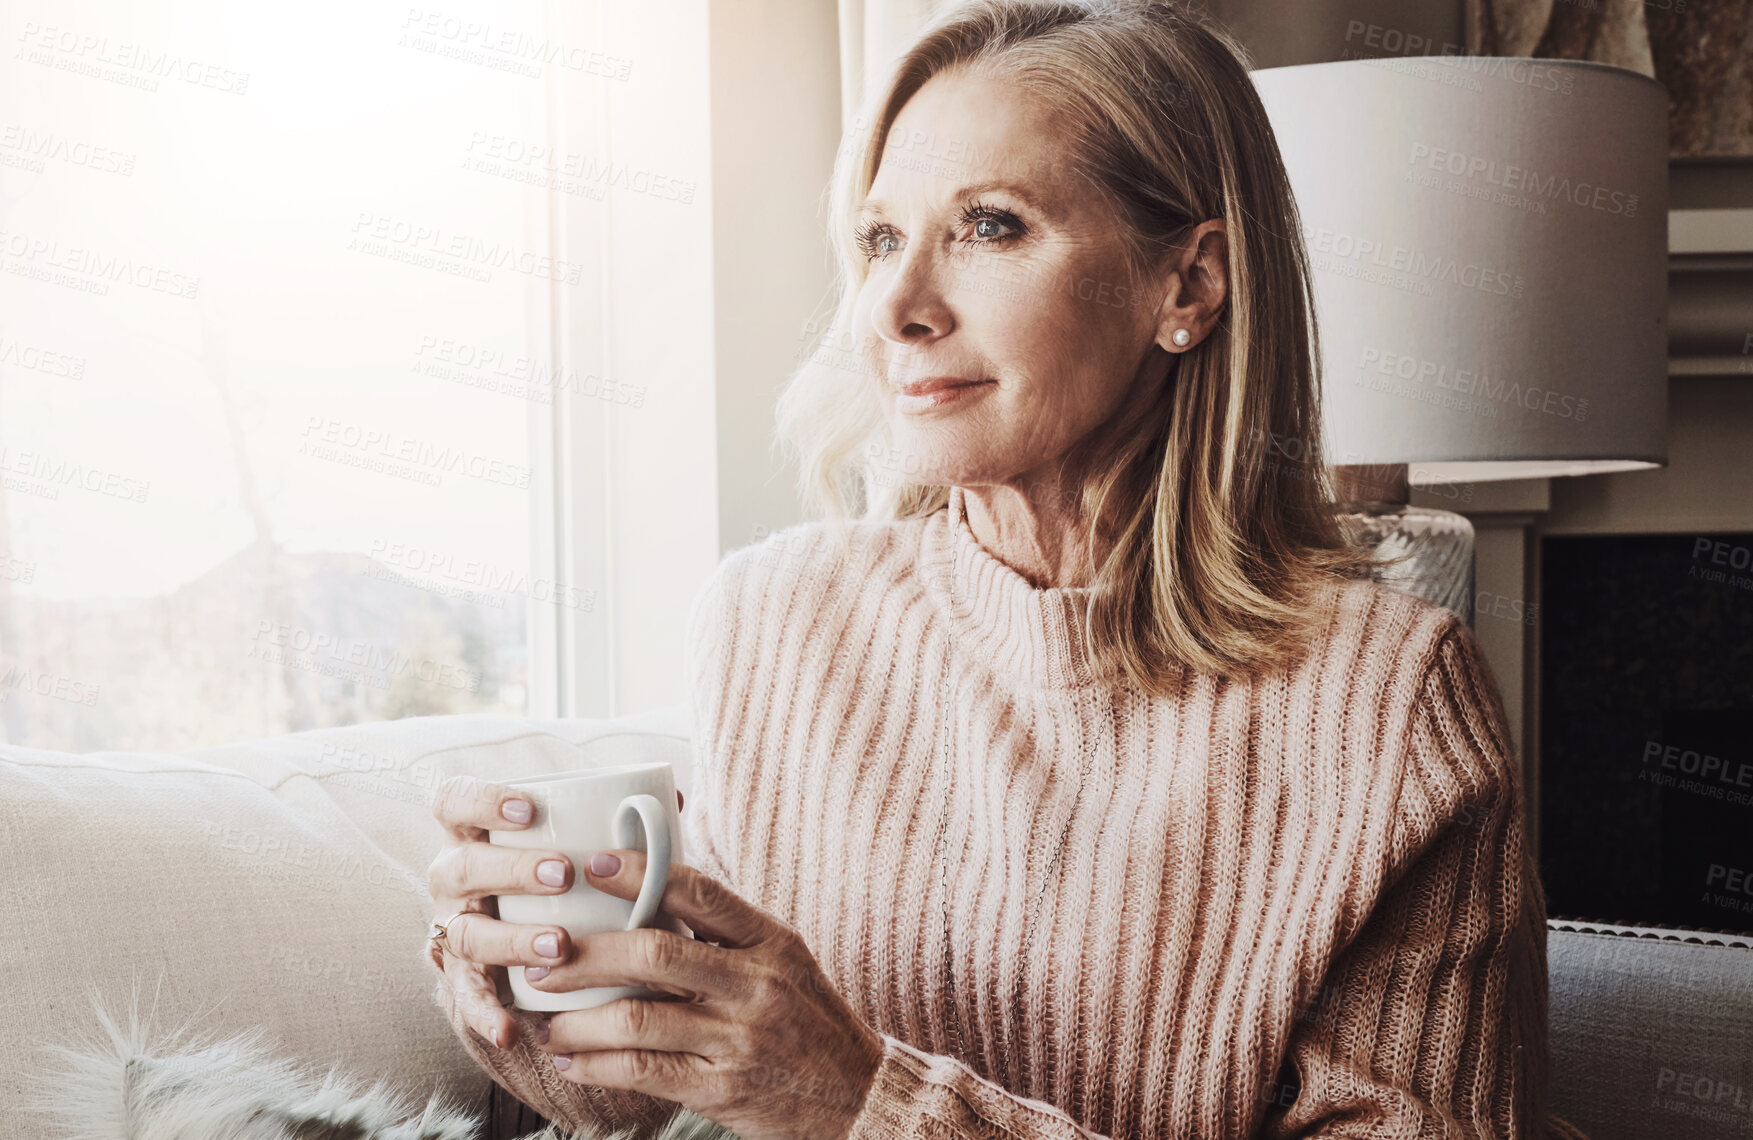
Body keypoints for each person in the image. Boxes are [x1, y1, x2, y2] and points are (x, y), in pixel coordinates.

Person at [424, 1, 1590, 1136]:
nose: (895, 306)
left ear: (1187, 285)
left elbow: (818, 1095)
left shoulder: (1387, 704)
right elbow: (656, 1099)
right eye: (880, 240)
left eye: (988, 226)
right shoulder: (775, 618)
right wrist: (532, 981)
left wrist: (865, 1104)